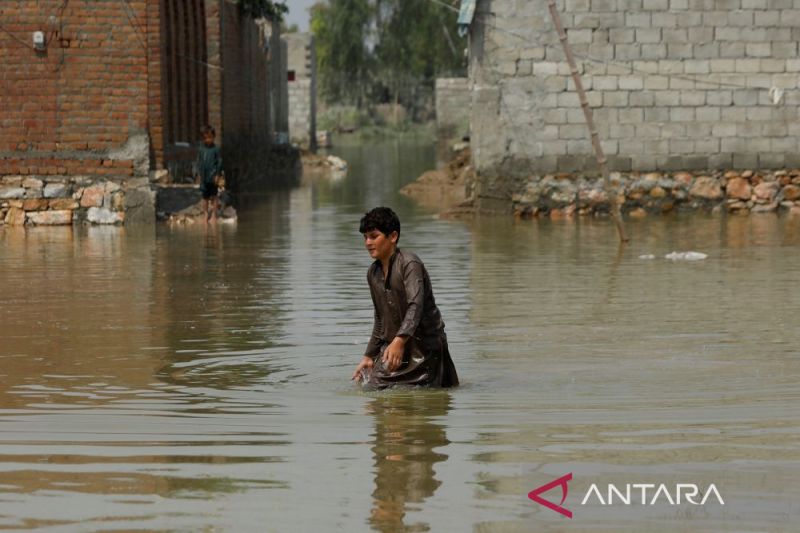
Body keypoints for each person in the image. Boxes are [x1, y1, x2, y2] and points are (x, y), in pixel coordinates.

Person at [352, 207, 459, 389]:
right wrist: (369, 356)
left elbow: (415, 306)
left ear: (393, 237)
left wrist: (399, 340)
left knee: (415, 400)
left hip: (424, 349)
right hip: (395, 347)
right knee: (367, 385)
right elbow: (380, 319)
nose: (368, 242)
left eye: (373, 236)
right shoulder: (373, 272)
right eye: (365, 237)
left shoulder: (409, 263)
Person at [194, 125, 223, 223]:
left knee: (214, 195)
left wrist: (217, 174)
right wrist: (198, 174)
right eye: (206, 138)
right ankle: (206, 213)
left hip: (212, 175)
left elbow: (219, 162)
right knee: (204, 196)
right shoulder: (201, 149)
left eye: (210, 137)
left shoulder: (216, 149)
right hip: (204, 176)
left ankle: (214, 214)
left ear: (214, 137)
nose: (208, 140)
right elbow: (199, 161)